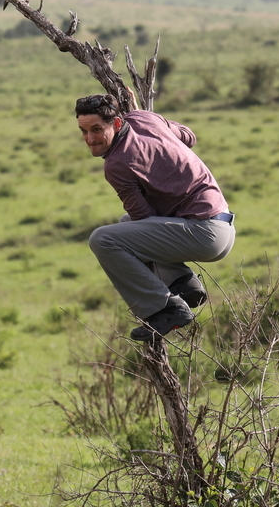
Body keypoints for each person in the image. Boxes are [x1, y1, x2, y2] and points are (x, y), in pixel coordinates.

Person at [74, 94, 235, 341]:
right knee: (125, 226)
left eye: (97, 129)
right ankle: (183, 283)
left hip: (203, 235)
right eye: (83, 131)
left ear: (117, 124)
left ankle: (167, 309)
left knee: (103, 239)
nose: (90, 139)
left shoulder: (116, 164)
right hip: (223, 226)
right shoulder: (145, 118)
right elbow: (189, 136)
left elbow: (145, 217)